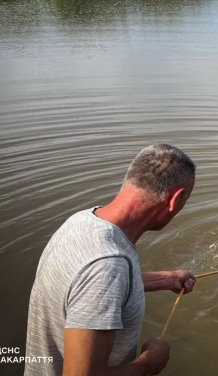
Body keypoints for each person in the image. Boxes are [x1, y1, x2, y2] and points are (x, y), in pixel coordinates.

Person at [25, 144, 197, 376]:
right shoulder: (108, 265)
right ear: (175, 200)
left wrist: (167, 279)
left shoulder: (82, 221)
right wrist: (149, 363)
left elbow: (84, 288)